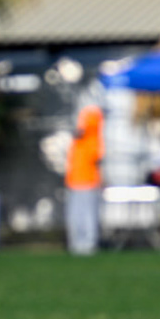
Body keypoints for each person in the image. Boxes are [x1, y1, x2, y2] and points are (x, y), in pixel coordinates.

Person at [64, 104, 103, 255]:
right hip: (74, 182)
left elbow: (96, 157)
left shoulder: (93, 140)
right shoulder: (77, 142)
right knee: (75, 216)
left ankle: (88, 244)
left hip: (88, 183)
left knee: (88, 216)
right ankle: (76, 243)